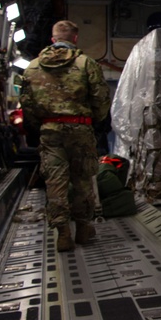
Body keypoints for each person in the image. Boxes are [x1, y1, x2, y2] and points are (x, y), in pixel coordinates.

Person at [20, 20, 111, 252]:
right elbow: (101, 99)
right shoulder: (86, 64)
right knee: (82, 179)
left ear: (52, 39)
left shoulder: (32, 67)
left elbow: (27, 105)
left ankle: (62, 233)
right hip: (80, 129)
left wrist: (38, 125)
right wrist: (96, 122)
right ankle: (83, 227)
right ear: (75, 38)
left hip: (50, 131)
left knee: (55, 181)